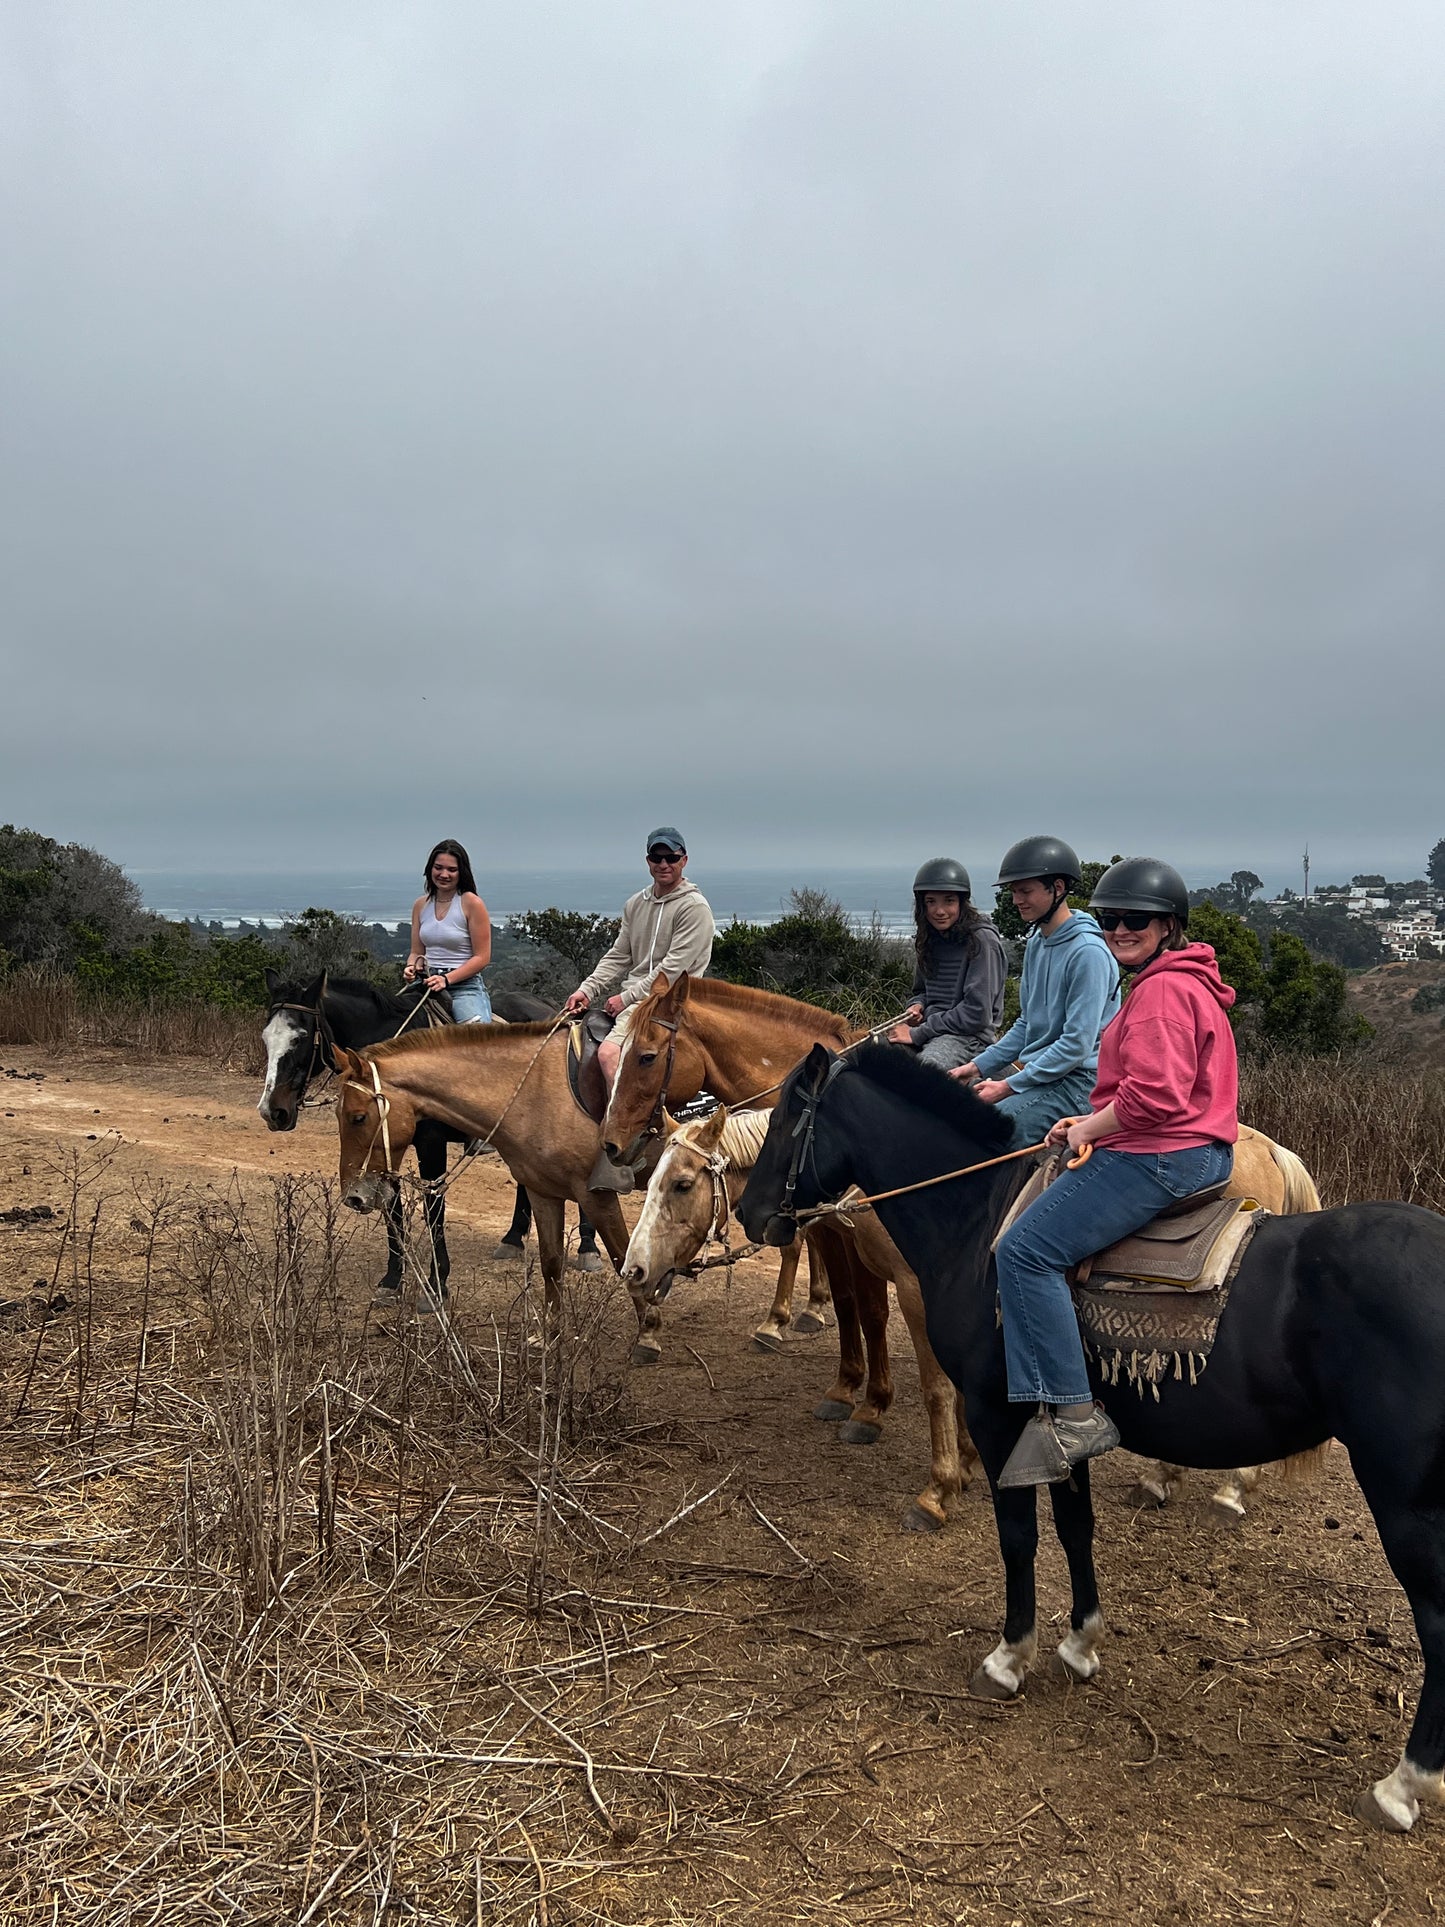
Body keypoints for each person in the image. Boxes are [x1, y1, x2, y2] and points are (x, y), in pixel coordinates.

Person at [993, 858, 1240, 1486]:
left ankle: (1074, 1411)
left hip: (1162, 1153)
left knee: (1023, 1251)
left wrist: (1087, 1126)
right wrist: (1090, 1119)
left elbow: (1155, 1098)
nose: (1119, 929)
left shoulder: (1160, 992)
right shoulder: (1182, 980)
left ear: (1168, 926)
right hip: (1182, 1145)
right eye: (1109, 919)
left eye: (1135, 919)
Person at [947, 835, 1118, 1149]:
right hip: (1044, 1073)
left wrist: (1009, 1087)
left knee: (991, 1133)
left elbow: (1076, 1045)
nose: (1016, 900)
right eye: (1013, 891)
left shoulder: (1088, 953)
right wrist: (976, 1066)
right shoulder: (1039, 941)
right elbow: (1027, 1024)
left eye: (1025, 891)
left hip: (1080, 1081)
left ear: (1058, 888)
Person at [562, 827, 715, 1087]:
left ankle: (634, 1128)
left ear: (684, 861)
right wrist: (587, 990)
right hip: (638, 1001)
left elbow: (672, 971)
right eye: (657, 858)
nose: (664, 864)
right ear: (648, 861)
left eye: (671, 858)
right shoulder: (636, 904)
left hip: (669, 1002)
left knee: (609, 1054)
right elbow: (620, 955)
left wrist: (626, 997)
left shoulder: (694, 909)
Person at [887, 858, 1007, 1070]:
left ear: (962, 902)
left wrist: (917, 1033)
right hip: (933, 1030)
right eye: (931, 901)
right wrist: (916, 1006)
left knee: (925, 1074)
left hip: (969, 1039)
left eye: (948, 901)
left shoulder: (982, 940)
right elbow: (921, 991)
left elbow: (976, 1013)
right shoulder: (930, 938)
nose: (939, 911)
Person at [404, 839, 493, 1022]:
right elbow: (416, 952)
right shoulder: (420, 905)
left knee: (475, 1039)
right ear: (430, 869)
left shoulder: (471, 903)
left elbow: (482, 957)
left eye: (452, 870)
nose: (444, 874)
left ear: (462, 872)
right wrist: (411, 967)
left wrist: (446, 979)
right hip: (426, 982)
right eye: (438, 868)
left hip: (464, 987)